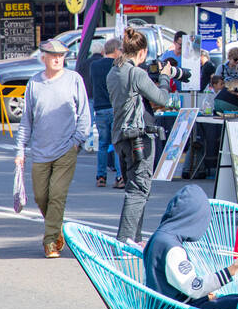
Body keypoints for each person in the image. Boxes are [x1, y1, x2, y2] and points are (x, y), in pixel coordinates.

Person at [15, 39, 92, 257]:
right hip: (39, 150)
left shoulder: (74, 79)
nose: (58, 59)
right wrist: (20, 150)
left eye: (61, 56)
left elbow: (85, 114)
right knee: (41, 197)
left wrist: (77, 141)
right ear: (44, 58)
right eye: (53, 56)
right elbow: (27, 120)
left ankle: (49, 242)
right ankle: (56, 229)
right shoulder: (34, 83)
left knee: (57, 195)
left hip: (66, 149)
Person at [108, 27, 174, 244]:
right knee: (139, 190)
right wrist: (164, 78)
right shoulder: (136, 73)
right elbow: (163, 98)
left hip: (120, 136)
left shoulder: (114, 71)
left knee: (134, 188)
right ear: (143, 52)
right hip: (139, 137)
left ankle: (134, 238)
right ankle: (126, 241)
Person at [89, 37, 123, 189]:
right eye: (120, 50)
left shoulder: (94, 66)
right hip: (114, 107)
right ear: (116, 50)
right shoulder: (118, 66)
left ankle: (100, 177)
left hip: (100, 108)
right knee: (117, 144)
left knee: (102, 144)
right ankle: (120, 177)